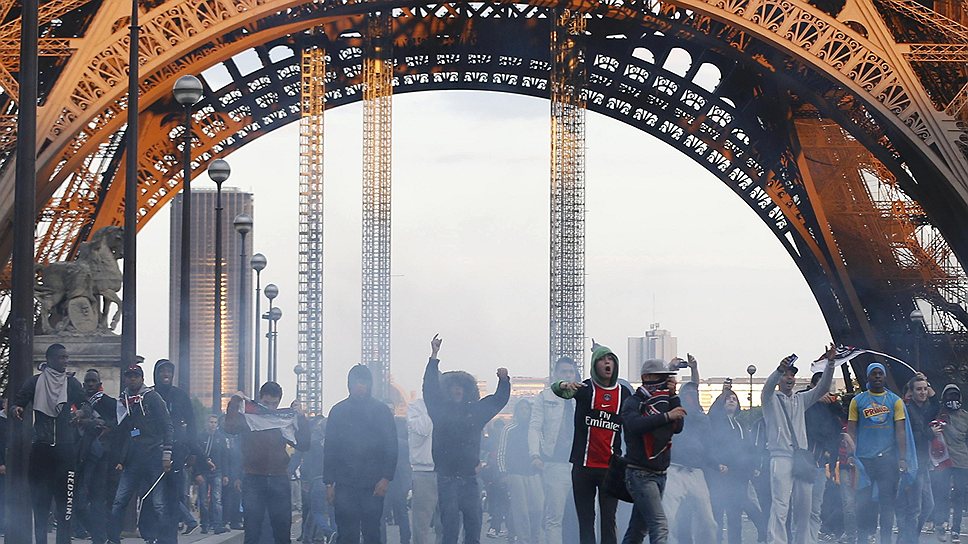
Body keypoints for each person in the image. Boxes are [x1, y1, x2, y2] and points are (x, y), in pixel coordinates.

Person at [423, 334, 511, 544]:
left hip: (470, 478)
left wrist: (504, 381)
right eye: (454, 387)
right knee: (450, 528)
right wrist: (433, 356)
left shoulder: (475, 411)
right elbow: (430, 388)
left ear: (468, 390)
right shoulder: (439, 410)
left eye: (461, 387)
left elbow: (498, 400)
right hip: (447, 478)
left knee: (473, 527)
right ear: (448, 389)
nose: (457, 390)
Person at [552, 343, 631, 544]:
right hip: (583, 467)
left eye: (611, 359)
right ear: (595, 365)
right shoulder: (585, 388)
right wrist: (563, 385)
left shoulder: (624, 393)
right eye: (603, 359)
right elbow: (557, 389)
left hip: (610, 468)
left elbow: (636, 419)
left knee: (608, 521)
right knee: (586, 521)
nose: (607, 363)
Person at [11, 343, 88, 544]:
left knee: (65, 505)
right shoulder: (35, 382)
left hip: (66, 450)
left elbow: (86, 404)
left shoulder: (72, 384)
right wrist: (17, 408)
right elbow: (19, 400)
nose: (65, 361)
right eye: (62, 357)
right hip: (41, 449)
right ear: (50, 359)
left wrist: (80, 412)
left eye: (66, 357)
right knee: (40, 502)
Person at [761, 347, 836, 544]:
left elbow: (822, 388)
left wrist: (830, 364)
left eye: (792, 375)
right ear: (779, 379)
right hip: (781, 457)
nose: (789, 378)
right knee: (781, 505)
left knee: (805, 507)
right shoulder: (769, 400)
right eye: (785, 375)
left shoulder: (800, 399)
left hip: (801, 457)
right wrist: (778, 369)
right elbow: (767, 387)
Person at [225, 382, 310, 544]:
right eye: (266, 403)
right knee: (253, 528)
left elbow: (304, 444)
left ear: (279, 401)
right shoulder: (249, 417)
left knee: (282, 528)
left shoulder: (281, 419)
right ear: (260, 399)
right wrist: (235, 401)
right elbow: (229, 427)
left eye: (274, 403)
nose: (270, 407)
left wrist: (300, 417)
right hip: (254, 477)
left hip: (278, 478)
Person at [323, 365, 398, 544]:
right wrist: (329, 483)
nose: (360, 386)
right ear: (349, 385)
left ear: (370, 384)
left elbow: (391, 446)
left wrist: (386, 478)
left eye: (364, 382)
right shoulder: (338, 411)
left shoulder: (381, 411)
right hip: (344, 485)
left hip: (373, 485)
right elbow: (330, 449)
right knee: (346, 534)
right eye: (356, 382)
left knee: (372, 533)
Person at [846, 362, 915, 544]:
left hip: (887, 460)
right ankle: (864, 537)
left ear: (884, 377)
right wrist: (850, 453)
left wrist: (902, 458)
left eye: (880, 374)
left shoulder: (895, 401)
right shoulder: (858, 401)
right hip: (864, 460)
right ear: (868, 377)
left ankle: (885, 539)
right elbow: (851, 429)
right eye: (874, 374)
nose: (877, 377)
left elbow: (900, 430)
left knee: (887, 503)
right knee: (864, 502)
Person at [107, 363, 175, 544]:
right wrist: (122, 458)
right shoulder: (124, 401)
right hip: (134, 459)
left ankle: (164, 540)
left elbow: (167, 425)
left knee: (158, 503)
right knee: (120, 500)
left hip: (154, 455)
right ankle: (113, 538)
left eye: (135, 376)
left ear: (142, 378)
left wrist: (166, 454)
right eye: (129, 376)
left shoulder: (152, 398)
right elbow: (129, 432)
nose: (132, 379)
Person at [619, 358, 684, 544]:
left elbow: (678, 426)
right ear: (646, 377)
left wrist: (673, 397)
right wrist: (666, 416)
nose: (663, 381)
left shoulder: (665, 401)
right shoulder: (634, 401)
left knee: (638, 530)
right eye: (659, 377)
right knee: (659, 525)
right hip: (640, 473)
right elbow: (634, 425)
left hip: (660, 472)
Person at [662, 355, 717, 544]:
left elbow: (695, 387)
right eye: (688, 394)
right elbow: (666, 390)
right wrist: (670, 369)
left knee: (708, 521)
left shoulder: (701, 415)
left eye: (694, 395)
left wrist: (694, 368)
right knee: (668, 519)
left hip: (696, 472)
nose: (692, 397)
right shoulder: (674, 408)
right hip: (674, 469)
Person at [708, 387, 767, 544]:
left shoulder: (740, 424)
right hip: (721, 475)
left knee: (735, 515)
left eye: (734, 398)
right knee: (718, 513)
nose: (731, 400)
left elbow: (750, 448)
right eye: (728, 399)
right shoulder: (715, 422)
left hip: (739, 475)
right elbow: (710, 446)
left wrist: (754, 466)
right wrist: (717, 464)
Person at [529, 357, 578, 544]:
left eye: (571, 372)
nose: (567, 375)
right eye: (564, 371)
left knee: (587, 515)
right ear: (556, 374)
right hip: (555, 462)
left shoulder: (581, 395)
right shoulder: (545, 396)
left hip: (580, 463)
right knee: (554, 516)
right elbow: (534, 427)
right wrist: (534, 454)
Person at [150, 359, 199, 534]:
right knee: (152, 494)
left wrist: (193, 451)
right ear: (156, 373)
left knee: (173, 493)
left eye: (169, 371)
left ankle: (169, 532)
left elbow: (192, 423)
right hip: (152, 450)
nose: (166, 374)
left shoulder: (180, 396)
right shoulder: (149, 395)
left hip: (177, 451)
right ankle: (155, 532)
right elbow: (136, 424)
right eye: (162, 371)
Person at [74, 369, 117, 544]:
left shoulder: (108, 402)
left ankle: (101, 538)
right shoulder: (78, 403)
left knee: (97, 501)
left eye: (93, 381)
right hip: (81, 456)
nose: (90, 384)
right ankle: (98, 534)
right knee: (79, 503)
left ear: (99, 383)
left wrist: (91, 423)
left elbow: (116, 425)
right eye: (88, 381)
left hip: (101, 458)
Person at [801, 372, 844, 544]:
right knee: (803, 504)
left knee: (816, 506)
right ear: (812, 386)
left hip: (823, 461)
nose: (825, 391)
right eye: (821, 386)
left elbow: (841, 417)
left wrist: (833, 403)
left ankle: (813, 537)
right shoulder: (803, 401)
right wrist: (815, 399)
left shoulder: (830, 405)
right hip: (806, 459)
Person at [896, 373, 938, 542]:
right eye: (919, 389)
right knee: (914, 508)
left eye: (925, 389)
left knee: (928, 505)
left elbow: (936, 403)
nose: (923, 392)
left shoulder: (925, 408)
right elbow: (909, 436)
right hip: (913, 464)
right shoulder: (908, 410)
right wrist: (930, 433)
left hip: (923, 464)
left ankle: (908, 537)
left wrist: (926, 381)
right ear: (911, 392)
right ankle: (909, 540)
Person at [499, 398, 544, 544]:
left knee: (538, 508)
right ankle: (524, 540)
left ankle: (535, 538)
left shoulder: (536, 430)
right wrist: (503, 472)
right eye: (521, 409)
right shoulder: (508, 429)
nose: (525, 412)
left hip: (534, 473)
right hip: (515, 473)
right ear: (517, 411)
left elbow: (542, 448)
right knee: (521, 512)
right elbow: (501, 452)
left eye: (527, 409)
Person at [933, 384, 968, 543]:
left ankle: (956, 529)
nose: (952, 400)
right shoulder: (939, 414)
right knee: (942, 493)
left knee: (960, 495)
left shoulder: (965, 416)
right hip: (943, 460)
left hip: (962, 461)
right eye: (949, 397)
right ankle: (941, 523)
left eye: (955, 396)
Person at [408, 397, 439, 544]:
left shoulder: (451, 405)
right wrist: (434, 406)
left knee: (447, 523)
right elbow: (423, 429)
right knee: (421, 524)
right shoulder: (416, 406)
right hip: (423, 471)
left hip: (447, 471)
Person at [195, 414, 229, 534]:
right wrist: (197, 473)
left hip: (217, 472)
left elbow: (225, 457)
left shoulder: (221, 438)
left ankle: (217, 525)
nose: (213, 424)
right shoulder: (200, 437)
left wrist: (226, 474)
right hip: (203, 472)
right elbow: (196, 457)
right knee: (203, 500)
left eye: (215, 422)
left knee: (217, 499)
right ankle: (205, 525)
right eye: (211, 422)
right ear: (206, 423)